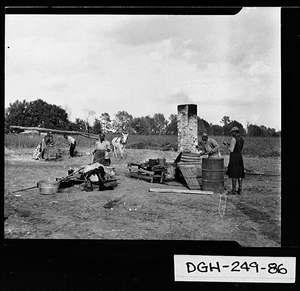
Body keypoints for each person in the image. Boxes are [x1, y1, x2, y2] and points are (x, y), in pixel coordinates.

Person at [225, 126, 245, 195]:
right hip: (239, 156)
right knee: (240, 173)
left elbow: (231, 150)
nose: (231, 134)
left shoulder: (233, 139)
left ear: (235, 132)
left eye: (232, 132)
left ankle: (233, 190)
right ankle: (240, 189)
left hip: (234, 157)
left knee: (234, 173)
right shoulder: (242, 139)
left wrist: (227, 146)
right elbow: (238, 146)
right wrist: (230, 144)